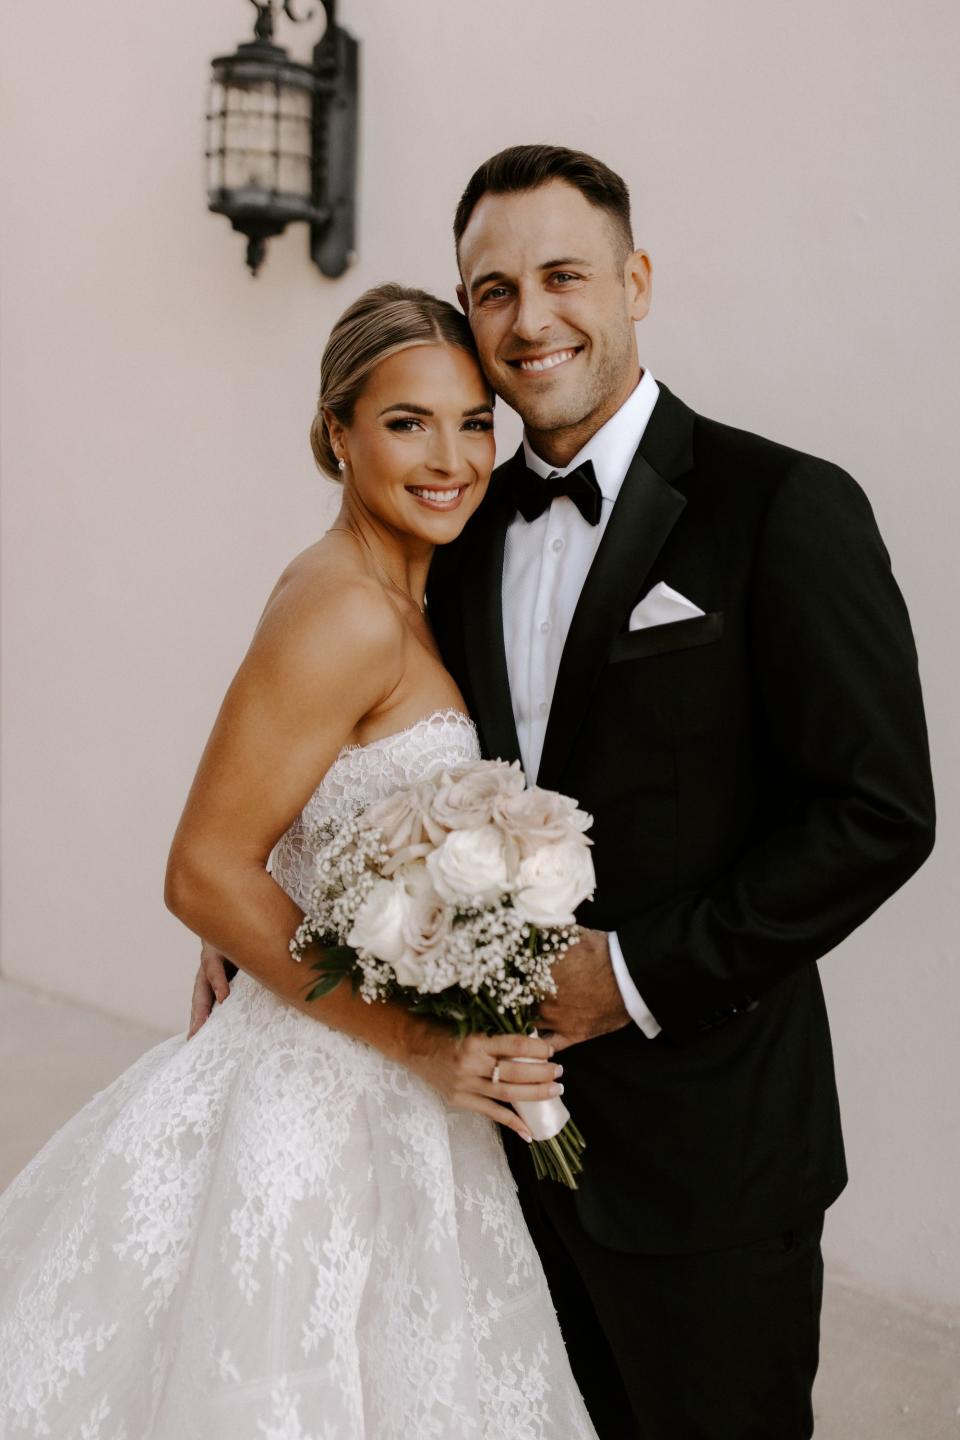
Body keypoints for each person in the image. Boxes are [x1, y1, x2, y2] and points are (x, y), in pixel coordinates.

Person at [195, 143, 934, 1440]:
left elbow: (877, 811)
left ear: (636, 279)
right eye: (493, 289)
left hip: (708, 1160)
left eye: (563, 275)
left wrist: (631, 975)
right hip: (475, 1160)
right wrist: (260, 928)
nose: (530, 319)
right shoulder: (453, 513)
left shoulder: (783, 509)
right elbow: (349, 745)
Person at [0, 284, 599, 1440]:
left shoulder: (413, 589)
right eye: (407, 421)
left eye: (475, 421)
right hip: (327, 1091)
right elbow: (201, 867)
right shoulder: (348, 612)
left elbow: (293, 818)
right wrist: (421, 1041)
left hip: (396, 1088)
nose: (454, 457)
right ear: (338, 430)